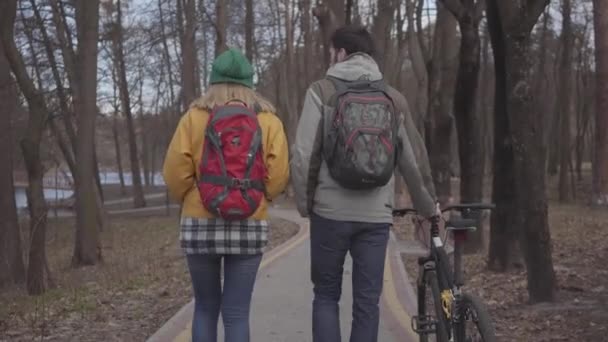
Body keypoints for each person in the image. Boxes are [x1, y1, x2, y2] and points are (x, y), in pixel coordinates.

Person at [290, 25, 438, 342]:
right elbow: (413, 160)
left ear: (342, 53)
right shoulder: (393, 97)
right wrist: (429, 207)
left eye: (332, 52)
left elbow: (303, 155)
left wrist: (306, 205)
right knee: (367, 303)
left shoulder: (321, 91)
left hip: (329, 214)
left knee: (327, 297)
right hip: (374, 218)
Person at [163, 48, 289, 342]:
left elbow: (174, 171)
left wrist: (190, 197)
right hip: (250, 222)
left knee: (205, 308)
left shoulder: (193, 118)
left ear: (213, 80)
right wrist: (261, 197)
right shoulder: (269, 121)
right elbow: (279, 173)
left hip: (199, 222)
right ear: (249, 82)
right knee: (236, 313)